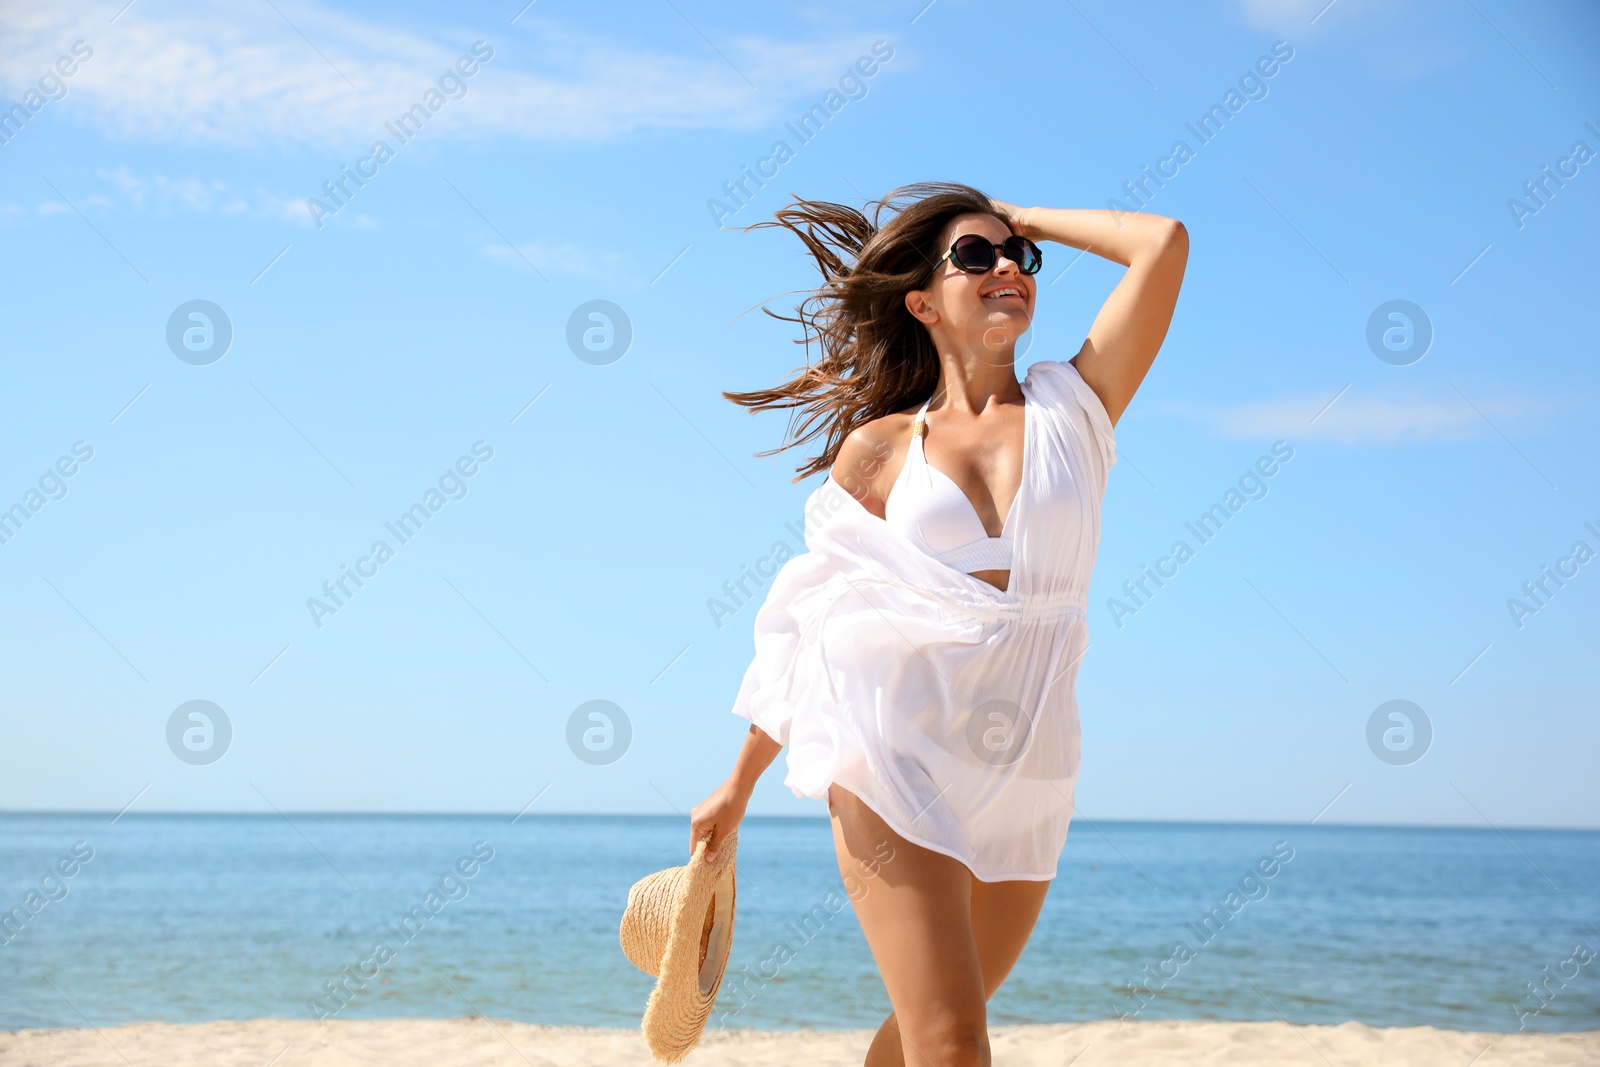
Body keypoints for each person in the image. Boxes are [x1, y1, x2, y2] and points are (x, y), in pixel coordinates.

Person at [690, 182, 1187, 1067]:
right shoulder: (881, 448)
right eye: (975, 256)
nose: (1008, 269)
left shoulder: (1078, 405)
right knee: (955, 1045)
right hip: (894, 752)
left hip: (1029, 763)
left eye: (1019, 258)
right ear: (921, 300)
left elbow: (1163, 242)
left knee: (925, 1036)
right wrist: (738, 786)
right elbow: (811, 616)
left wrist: (1021, 217)